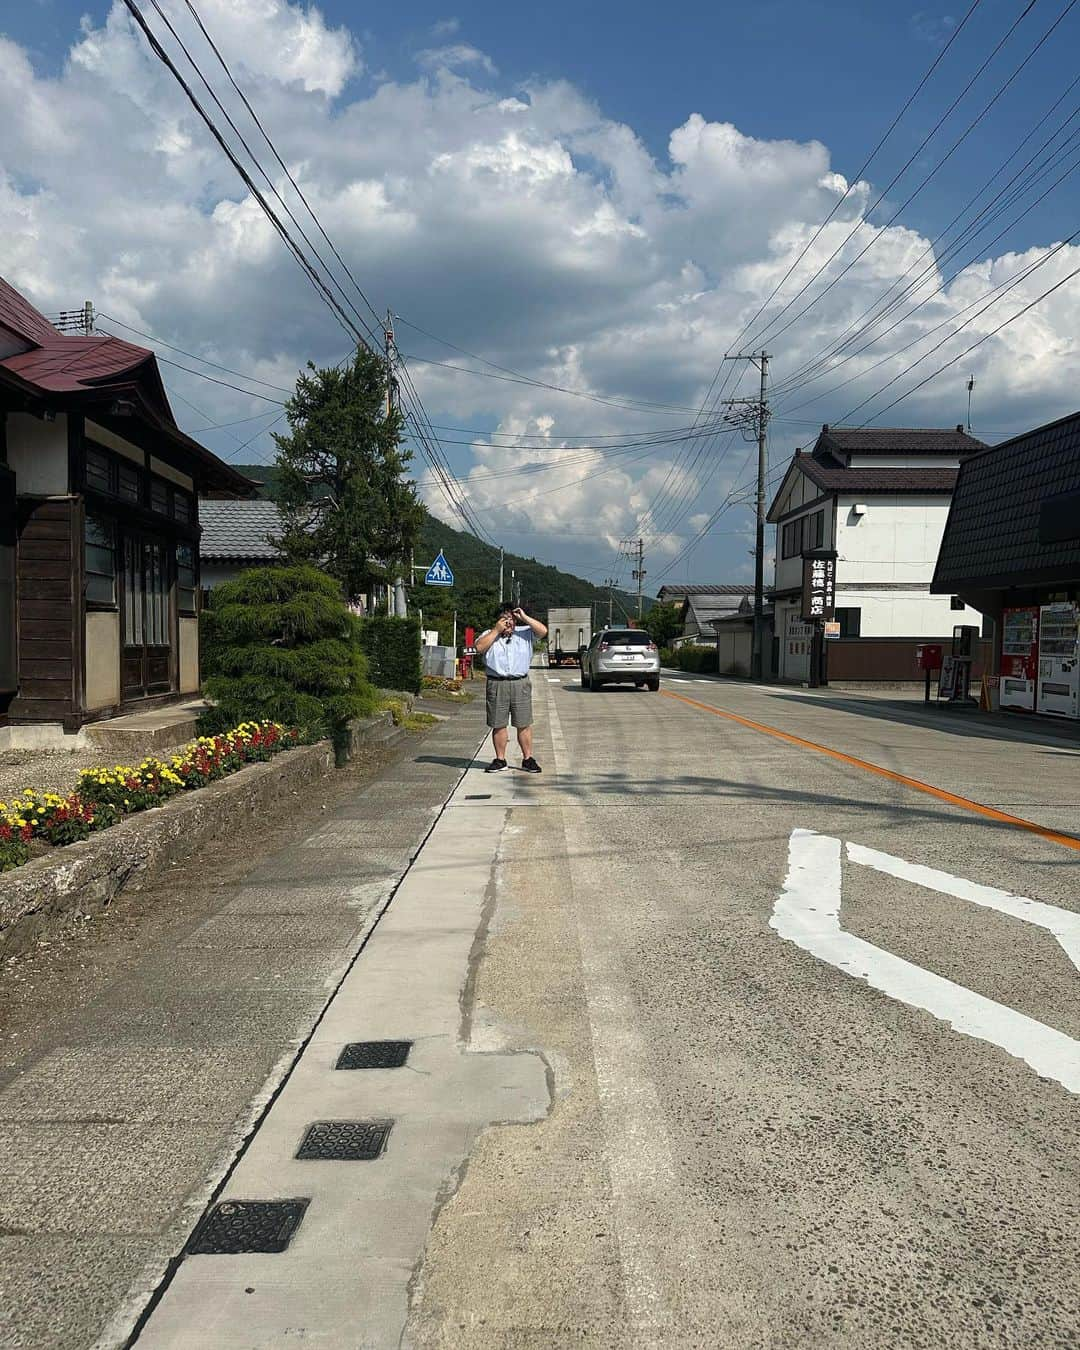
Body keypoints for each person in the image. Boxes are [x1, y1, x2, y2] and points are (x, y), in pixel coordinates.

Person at [475, 604, 548, 772]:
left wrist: (524, 617)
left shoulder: (525, 632)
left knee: (523, 723)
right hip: (496, 683)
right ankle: (500, 760)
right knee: (498, 723)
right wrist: (496, 630)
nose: (508, 622)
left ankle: (527, 758)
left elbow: (543, 631)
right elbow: (479, 648)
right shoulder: (489, 634)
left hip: (520, 683)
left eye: (511, 619)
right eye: (504, 619)